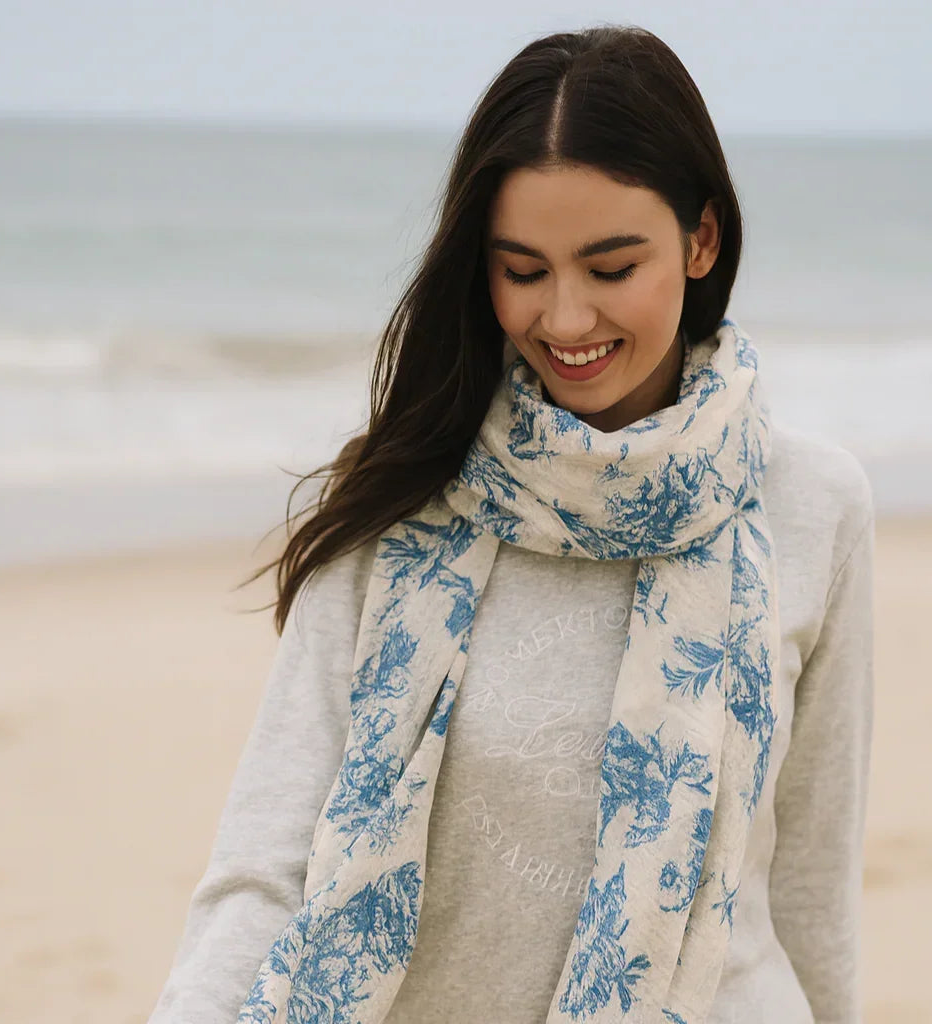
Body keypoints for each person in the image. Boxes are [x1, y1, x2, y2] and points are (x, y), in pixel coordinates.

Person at [148, 24, 874, 1024]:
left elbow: (811, 891)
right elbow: (262, 871)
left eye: (611, 268)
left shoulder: (815, 506)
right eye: (523, 272)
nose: (565, 320)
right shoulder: (403, 491)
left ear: (701, 239)